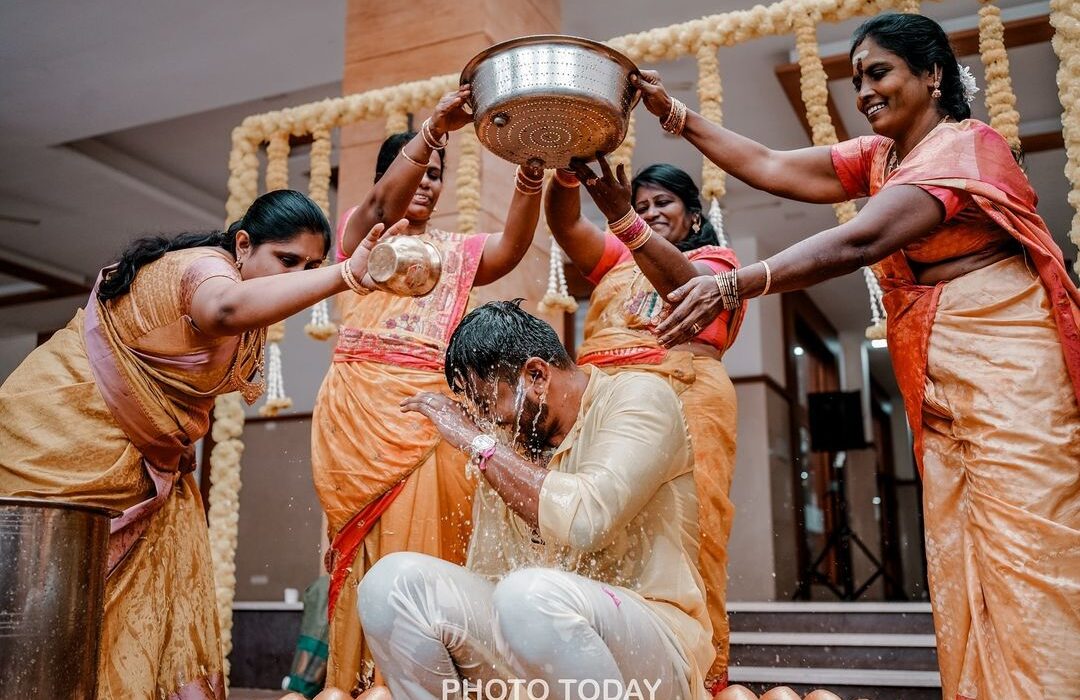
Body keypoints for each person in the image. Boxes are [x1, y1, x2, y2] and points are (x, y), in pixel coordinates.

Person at [634, 12, 1080, 699]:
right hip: (942, 374)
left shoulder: (968, 147)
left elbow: (859, 242)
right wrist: (675, 114)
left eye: (879, 73)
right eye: (855, 79)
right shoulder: (881, 157)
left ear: (932, 74)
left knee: (1028, 555)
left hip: (1010, 370)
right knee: (968, 560)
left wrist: (732, 281)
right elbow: (772, 166)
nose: (864, 91)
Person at [0, 188, 399, 700]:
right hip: (57, 432)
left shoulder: (251, 306)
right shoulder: (202, 269)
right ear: (241, 244)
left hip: (145, 466)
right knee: (40, 601)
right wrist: (340, 275)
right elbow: (223, 309)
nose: (298, 276)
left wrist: (168, 444)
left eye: (310, 265)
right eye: (287, 260)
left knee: (137, 610)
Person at [310, 86, 544, 694]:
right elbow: (383, 199)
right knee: (360, 544)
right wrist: (434, 130)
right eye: (418, 169)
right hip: (359, 410)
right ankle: (354, 681)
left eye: (438, 175)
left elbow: (513, 248)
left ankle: (416, 678)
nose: (426, 183)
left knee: (431, 540)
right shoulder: (363, 236)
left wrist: (529, 178)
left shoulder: (454, 251)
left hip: (429, 413)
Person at [358, 300, 714, 699]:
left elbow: (586, 520)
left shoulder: (639, 398)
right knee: (390, 584)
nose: (490, 422)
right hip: (531, 633)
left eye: (491, 405)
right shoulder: (507, 447)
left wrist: (478, 444)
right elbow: (490, 580)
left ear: (537, 375)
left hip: (650, 645)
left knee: (528, 595)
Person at [545, 159, 745, 692]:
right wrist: (566, 174)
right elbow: (566, 227)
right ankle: (608, 666)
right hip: (604, 409)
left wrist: (623, 217)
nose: (651, 212)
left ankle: (697, 672)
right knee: (595, 527)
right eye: (643, 203)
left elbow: (688, 287)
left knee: (689, 534)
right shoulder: (616, 259)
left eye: (664, 203)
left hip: (684, 399)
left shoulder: (716, 260)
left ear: (694, 215)